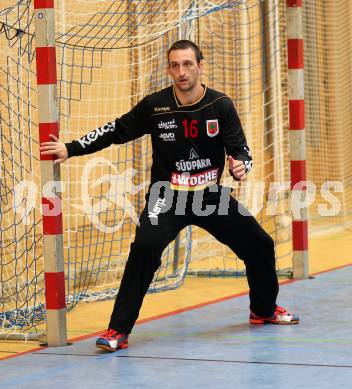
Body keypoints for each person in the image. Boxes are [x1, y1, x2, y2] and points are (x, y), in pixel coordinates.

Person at [40, 40, 299, 353]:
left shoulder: (220, 105)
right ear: (169, 69)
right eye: (175, 65)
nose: (181, 71)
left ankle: (263, 309)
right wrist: (71, 148)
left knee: (260, 244)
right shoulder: (155, 106)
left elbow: (241, 149)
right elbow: (116, 129)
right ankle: (117, 330)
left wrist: (241, 165)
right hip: (167, 198)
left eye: (188, 64)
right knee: (144, 250)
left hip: (210, 197)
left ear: (200, 66)